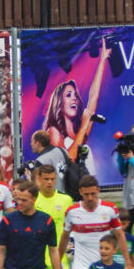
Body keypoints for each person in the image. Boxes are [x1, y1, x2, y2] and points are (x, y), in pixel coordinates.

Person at [43, 38, 111, 170]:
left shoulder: (81, 127)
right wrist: (84, 126)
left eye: (75, 95)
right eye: (68, 95)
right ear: (59, 103)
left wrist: (102, 61)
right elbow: (67, 161)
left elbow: (93, 97)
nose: (74, 98)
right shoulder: (54, 131)